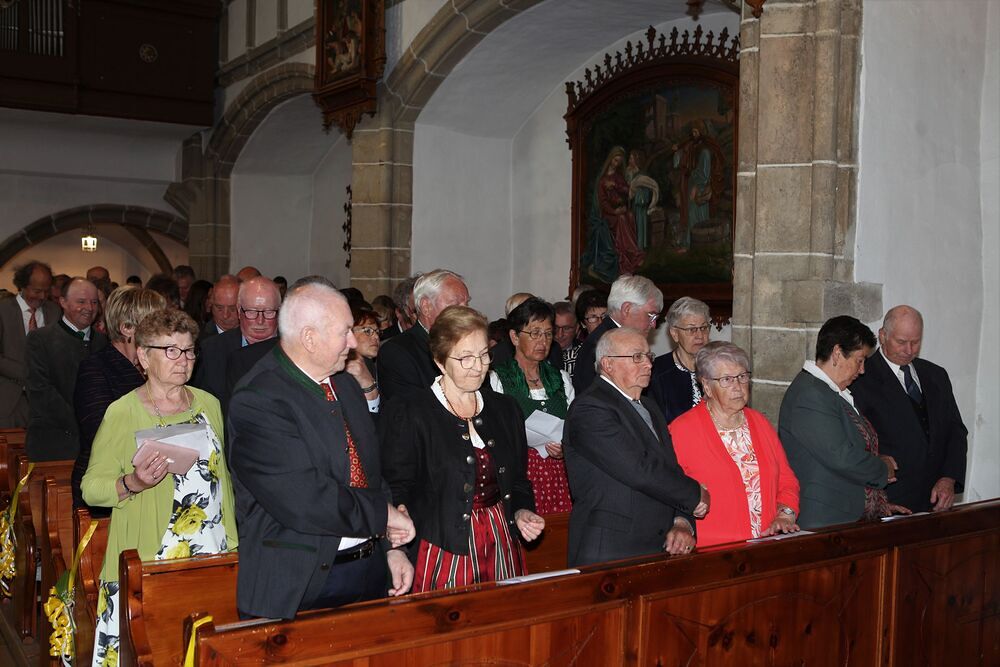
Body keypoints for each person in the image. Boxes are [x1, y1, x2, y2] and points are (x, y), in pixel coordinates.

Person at [227, 282, 414, 619]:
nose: (353, 342)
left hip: (368, 571)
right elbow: (306, 499)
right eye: (345, 332)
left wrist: (391, 547)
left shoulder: (345, 384)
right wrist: (384, 515)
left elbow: (369, 473)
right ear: (310, 338)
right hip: (299, 585)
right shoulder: (258, 399)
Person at [81, 308, 238, 666]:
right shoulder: (123, 412)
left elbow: (222, 478)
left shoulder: (209, 403)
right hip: (153, 555)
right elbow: (91, 488)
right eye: (171, 350)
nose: (183, 360)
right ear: (143, 355)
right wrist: (133, 482)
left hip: (212, 550)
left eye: (189, 350)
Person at [381, 306, 544, 591]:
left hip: (499, 540)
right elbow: (395, 488)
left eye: (484, 355)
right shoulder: (410, 412)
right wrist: (396, 548)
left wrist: (521, 511)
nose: (478, 367)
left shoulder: (505, 409)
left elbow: (518, 481)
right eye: (466, 358)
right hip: (438, 546)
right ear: (440, 361)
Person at [563, 327, 708, 566]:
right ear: (608, 364)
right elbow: (638, 468)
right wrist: (693, 494)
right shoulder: (590, 408)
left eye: (649, 356)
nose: (649, 364)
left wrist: (682, 520)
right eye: (637, 357)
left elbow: (670, 467)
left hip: (657, 543)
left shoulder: (650, 407)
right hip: (611, 547)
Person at [779, 315, 906, 530]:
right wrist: (882, 469)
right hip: (824, 519)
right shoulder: (810, 394)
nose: (862, 370)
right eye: (859, 360)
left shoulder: (828, 392)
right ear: (837, 353)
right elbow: (841, 456)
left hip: (843, 515)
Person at [670, 342, 799, 547]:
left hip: (766, 545)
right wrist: (681, 524)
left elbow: (786, 480)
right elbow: (670, 492)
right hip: (715, 551)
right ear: (706, 386)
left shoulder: (760, 423)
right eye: (727, 380)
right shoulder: (681, 430)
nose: (738, 387)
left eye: (742, 377)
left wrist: (785, 514)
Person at [852, 305, 968, 512]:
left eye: (915, 342)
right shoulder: (860, 378)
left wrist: (949, 477)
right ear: (882, 336)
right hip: (890, 501)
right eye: (901, 342)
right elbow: (855, 446)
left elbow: (955, 431)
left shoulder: (936, 375)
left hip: (935, 501)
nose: (909, 350)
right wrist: (875, 502)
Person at [73, 287, 167, 515]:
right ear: (126, 328)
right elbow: (100, 432)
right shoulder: (96, 368)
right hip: (110, 492)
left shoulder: (157, 366)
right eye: (154, 323)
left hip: (153, 486)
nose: (163, 331)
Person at [490, 298, 574, 514]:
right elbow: (494, 433)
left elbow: (576, 427)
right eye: (535, 333)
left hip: (558, 475)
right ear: (515, 337)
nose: (543, 341)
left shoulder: (561, 378)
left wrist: (566, 447)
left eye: (548, 334)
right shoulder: (497, 380)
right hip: (519, 472)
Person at [26, 278, 108, 461]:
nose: (89, 308)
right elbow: (40, 391)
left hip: (97, 447)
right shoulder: (40, 339)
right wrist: (83, 422)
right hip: (54, 444)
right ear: (63, 302)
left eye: (94, 302)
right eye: (81, 301)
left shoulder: (103, 342)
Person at [377, 269, 469, 402]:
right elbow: (410, 407)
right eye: (455, 304)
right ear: (426, 306)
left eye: (466, 304)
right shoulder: (397, 352)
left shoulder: (470, 345)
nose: (465, 312)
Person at [192, 276, 281, 408]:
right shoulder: (212, 350)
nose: (260, 321)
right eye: (251, 312)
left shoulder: (295, 350)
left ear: (280, 311)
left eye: (268, 312)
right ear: (239, 311)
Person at [573, 274, 662, 394]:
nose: (654, 324)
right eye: (651, 315)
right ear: (627, 309)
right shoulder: (600, 345)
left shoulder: (613, 336)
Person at [0, 261, 60, 427]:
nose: (42, 297)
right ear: (22, 286)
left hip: (46, 402)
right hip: (10, 401)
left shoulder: (54, 311)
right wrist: (29, 374)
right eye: (37, 291)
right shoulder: (3, 311)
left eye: (46, 291)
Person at [648, 297, 711, 425]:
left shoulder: (718, 367)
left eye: (704, 328)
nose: (700, 336)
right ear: (674, 333)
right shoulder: (656, 372)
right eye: (692, 329)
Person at [344, 300, 381, 414]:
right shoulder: (343, 370)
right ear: (348, 333)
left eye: (377, 332)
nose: (376, 336)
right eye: (368, 331)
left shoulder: (376, 364)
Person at [200, 276, 240, 341]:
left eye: (232, 309)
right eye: (219, 308)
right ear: (211, 304)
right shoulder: (197, 339)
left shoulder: (254, 337)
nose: (225, 315)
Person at [553, 301, 582, 378]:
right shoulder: (540, 354)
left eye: (566, 328)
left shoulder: (585, 354)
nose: (560, 334)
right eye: (555, 328)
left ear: (577, 328)